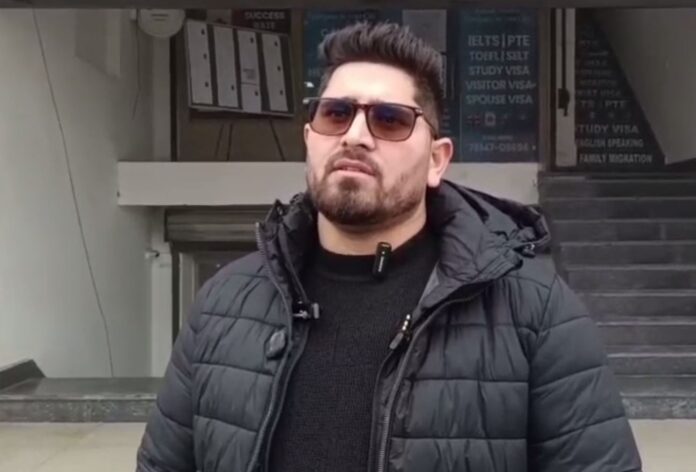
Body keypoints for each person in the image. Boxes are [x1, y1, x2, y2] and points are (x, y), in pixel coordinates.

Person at [136, 21, 642, 472]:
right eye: (336, 114)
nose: (355, 136)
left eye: (390, 119)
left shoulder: (536, 313)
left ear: (437, 160)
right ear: (309, 138)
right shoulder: (223, 304)